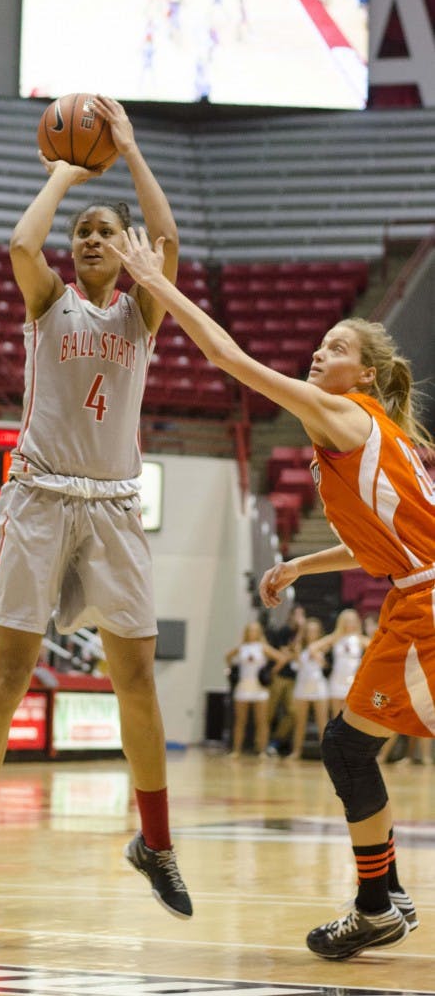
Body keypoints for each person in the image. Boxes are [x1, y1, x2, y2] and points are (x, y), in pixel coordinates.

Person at [109, 225, 431, 958]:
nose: (321, 353)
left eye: (338, 348)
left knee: (349, 749)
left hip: (427, 602)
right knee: (349, 748)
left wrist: (153, 282)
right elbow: (378, 543)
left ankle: (379, 902)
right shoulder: (367, 432)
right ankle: (380, 900)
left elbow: (228, 358)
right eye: (320, 344)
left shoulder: (346, 416)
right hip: (413, 596)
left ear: (367, 376)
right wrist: (300, 567)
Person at [0, 95, 193, 925]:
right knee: (9, 672)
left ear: (123, 251)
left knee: (136, 680)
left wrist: (127, 152)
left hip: (116, 506)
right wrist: (64, 171)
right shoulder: (49, 301)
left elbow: (166, 245)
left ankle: (154, 842)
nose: (91, 240)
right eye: (83, 231)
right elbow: (22, 242)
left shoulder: (140, 310)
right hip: (42, 494)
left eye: (106, 232)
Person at [224, 620, 288, 758]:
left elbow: (281, 659)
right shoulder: (241, 647)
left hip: (259, 687)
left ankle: (262, 750)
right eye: (250, 630)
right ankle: (236, 750)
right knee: (240, 721)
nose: (252, 633)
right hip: (243, 686)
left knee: (261, 720)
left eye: (255, 630)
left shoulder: (262, 647)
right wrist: (232, 670)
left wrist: (270, 672)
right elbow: (227, 656)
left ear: (259, 633)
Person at [311, 608, 369, 717]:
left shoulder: (360, 639)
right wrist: (324, 663)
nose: (350, 624)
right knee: (336, 716)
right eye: (347, 621)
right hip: (337, 679)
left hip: (353, 681)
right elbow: (313, 648)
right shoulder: (335, 637)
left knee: (351, 717)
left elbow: (377, 650)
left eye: (353, 621)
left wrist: (364, 665)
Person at [265, 603, 306, 755]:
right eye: (297, 614)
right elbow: (286, 655)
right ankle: (261, 742)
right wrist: (294, 651)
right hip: (279, 676)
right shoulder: (284, 631)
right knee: (269, 712)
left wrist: (295, 651)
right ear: (291, 616)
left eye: (302, 615)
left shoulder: (302, 634)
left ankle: (275, 741)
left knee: (293, 713)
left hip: (293, 679)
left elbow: (297, 654)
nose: (300, 618)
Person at [289, 616, 329, 761]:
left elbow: (326, 666)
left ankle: (327, 754)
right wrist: (300, 633)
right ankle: (296, 751)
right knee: (300, 722)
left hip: (319, 687)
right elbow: (296, 664)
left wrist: (318, 656)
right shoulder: (300, 648)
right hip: (302, 687)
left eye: (314, 631)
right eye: (309, 631)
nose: (311, 633)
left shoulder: (324, 647)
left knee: (322, 722)